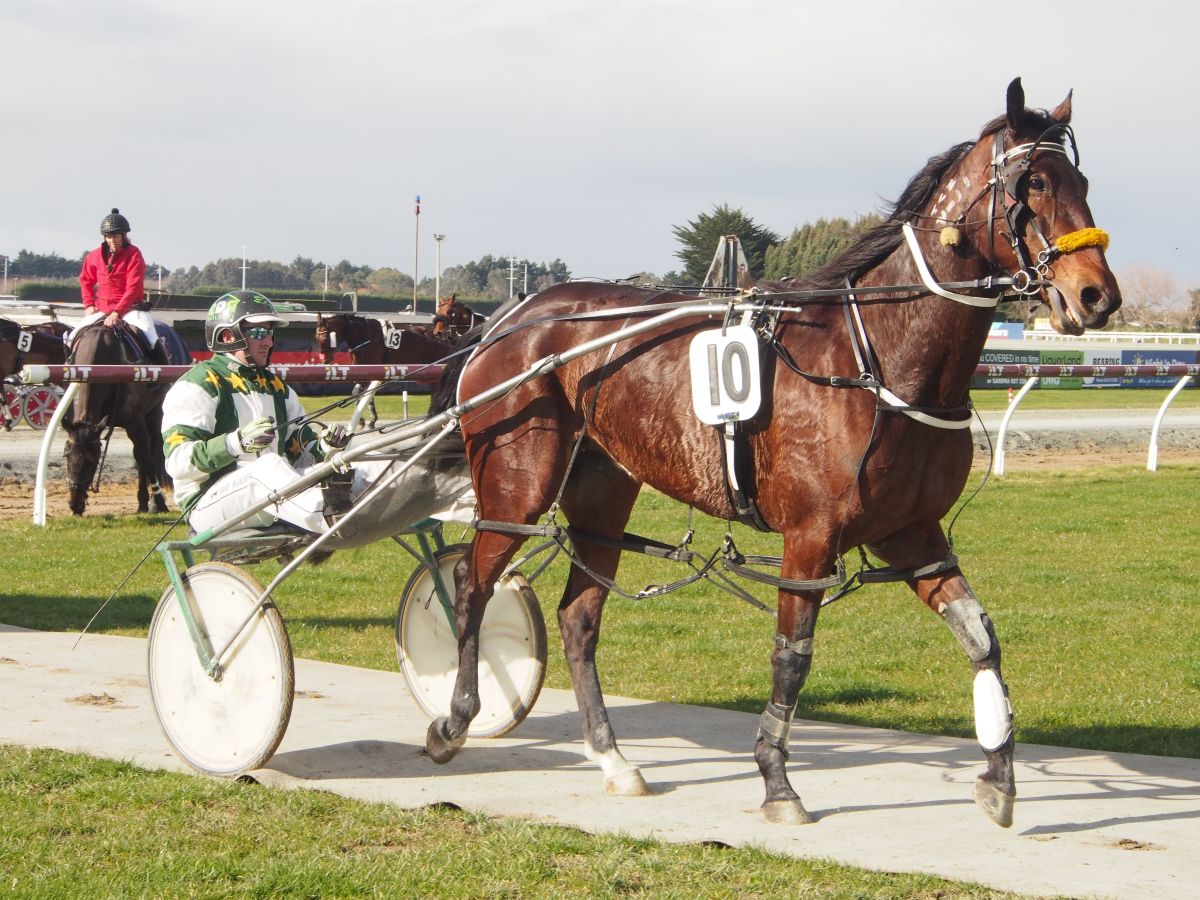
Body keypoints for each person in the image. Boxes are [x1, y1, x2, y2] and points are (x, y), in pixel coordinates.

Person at [161, 290, 383, 535]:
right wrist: (236, 443)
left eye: (269, 333)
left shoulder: (277, 387)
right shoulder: (197, 385)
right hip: (205, 505)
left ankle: (393, 511)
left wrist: (328, 447)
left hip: (266, 497)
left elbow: (302, 454)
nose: (268, 341)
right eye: (258, 333)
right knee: (268, 466)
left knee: (368, 460)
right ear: (227, 336)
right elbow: (177, 462)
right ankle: (335, 520)